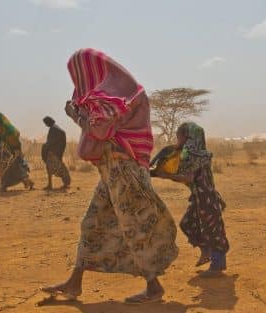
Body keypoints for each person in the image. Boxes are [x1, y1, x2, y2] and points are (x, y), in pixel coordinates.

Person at [41, 48, 179, 304]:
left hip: (124, 171)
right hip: (112, 171)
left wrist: (76, 115)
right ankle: (74, 284)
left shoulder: (113, 98)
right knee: (93, 223)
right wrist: (81, 115)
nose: (78, 82)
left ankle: (154, 286)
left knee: (134, 227)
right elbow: (100, 128)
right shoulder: (116, 95)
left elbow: (99, 130)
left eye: (78, 75)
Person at [155, 122, 229, 277]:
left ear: (187, 137)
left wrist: (165, 175)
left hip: (206, 198)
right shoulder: (195, 154)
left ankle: (217, 265)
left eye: (178, 136)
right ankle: (206, 251)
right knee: (187, 223)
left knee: (212, 230)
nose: (177, 140)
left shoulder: (195, 155)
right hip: (199, 197)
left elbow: (187, 176)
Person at [0, 112, 34, 191]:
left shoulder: (8, 129)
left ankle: (28, 182)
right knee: (4, 169)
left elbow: (14, 142)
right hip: (4, 152)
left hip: (13, 152)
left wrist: (15, 152)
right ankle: (4, 185)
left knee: (16, 168)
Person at [41, 116, 71, 190]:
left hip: (54, 153)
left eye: (45, 123)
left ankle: (63, 183)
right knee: (50, 168)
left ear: (48, 122)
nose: (45, 124)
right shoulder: (55, 128)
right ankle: (51, 184)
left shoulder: (54, 129)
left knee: (57, 168)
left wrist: (45, 146)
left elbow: (52, 141)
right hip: (54, 152)